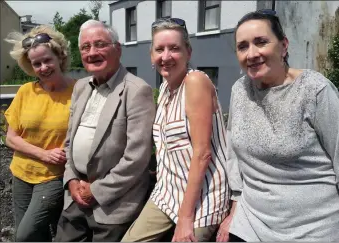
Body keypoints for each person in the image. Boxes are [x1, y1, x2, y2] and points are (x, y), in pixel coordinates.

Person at [217, 9, 339, 242]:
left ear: (283, 46)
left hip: (312, 230)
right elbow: (235, 154)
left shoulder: (314, 91)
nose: (251, 54)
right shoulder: (240, 90)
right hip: (251, 225)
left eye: (261, 42)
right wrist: (234, 210)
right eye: (243, 46)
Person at [122, 17, 230, 242]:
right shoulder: (164, 89)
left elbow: (202, 154)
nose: (166, 56)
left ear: (188, 52)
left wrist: (185, 217)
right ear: (151, 55)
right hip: (167, 192)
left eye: (174, 49)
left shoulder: (195, 82)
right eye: (159, 49)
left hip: (202, 199)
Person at [54, 20, 156, 242]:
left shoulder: (137, 91)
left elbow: (137, 158)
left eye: (100, 44)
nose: (92, 53)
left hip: (114, 204)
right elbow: (69, 141)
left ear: (117, 49)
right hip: (75, 196)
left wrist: (96, 191)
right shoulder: (80, 87)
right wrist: (71, 180)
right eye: (85, 47)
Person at [4, 25, 76, 241]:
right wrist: (43, 154)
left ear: (60, 57)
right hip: (21, 173)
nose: (43, 67)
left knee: (24, 235)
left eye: (48, 60)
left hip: (53, 176)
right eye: (37, 64)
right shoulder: (26, 92)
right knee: (36, 237)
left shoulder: (80, 90)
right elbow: (10, 137)